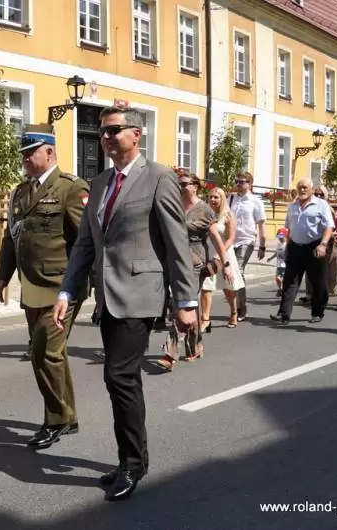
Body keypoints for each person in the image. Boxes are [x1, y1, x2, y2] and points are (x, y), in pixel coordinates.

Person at [53, 106, 197, 502]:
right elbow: (85, 243)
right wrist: (67, 291)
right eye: (102, 131)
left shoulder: (158, 177)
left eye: (114, 130)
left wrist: (185, 300)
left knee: (120, 375)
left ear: (136, 134)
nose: (106, 137)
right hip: (107, 294)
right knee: (118, 379)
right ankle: (129, 460)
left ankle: (133, 464)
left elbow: (176, 242)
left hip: (141, 292)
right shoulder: (100, 183)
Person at [0, 124, 90, 449]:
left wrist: (90, 285)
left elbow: (87, 241)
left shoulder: (71, 188)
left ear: (49, 152)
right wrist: (2, 275)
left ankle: (56, 419)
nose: (24, 158)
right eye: (22, 153)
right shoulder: (21, 192)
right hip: (33, 285)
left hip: (62, 286)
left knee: (44, 350)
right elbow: (12, 237)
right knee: (51, 353)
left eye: (30, 152)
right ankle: (68, 416)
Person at [156, 176, 234, 371]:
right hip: (171, 258)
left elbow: (216, 238)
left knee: (182, 304)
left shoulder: (204, 210)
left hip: (194, 260)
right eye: (178, 184)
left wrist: (225, 264)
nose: (180, 187)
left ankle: (170, 353)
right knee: (190, 303)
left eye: (185, 184)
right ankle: (195, 347)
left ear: (195, 187)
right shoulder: (174, 205)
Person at [270, 178, 335, 324]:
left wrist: (323, 244)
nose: (302, 190)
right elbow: (288, 227)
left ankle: (317, 312)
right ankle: (284, 314)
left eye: (305, 187)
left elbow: (329, 226)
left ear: (312, 189)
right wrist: (287, 246)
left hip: (314, 246)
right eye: (300, 187)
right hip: (295, 247)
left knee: (317, 282)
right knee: (289, 281)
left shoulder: (321, 204)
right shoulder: (293, 206)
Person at [200, 187, 244, 330]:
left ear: (222, 199)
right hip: (207, 254)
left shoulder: (228, 215)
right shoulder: (205, 213)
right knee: (206, 287)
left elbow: (231, 238)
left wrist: (219, 254)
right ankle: (205, 319)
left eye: (216, 197)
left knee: (228, 288)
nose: (213, 200)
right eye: (211, 197)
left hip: (224, 254)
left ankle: (234, 311)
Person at [227, 172, 267, 322]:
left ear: (250, 184)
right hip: (230, 240)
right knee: (232, 272)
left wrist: (262, 246)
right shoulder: (231, 198)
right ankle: (236, 306)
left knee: (238, 270)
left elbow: (261, 224)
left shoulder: (255, 201)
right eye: (237, 181)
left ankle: (241, 308)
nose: (238, 184)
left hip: (246, 240)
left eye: (242, 182)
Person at [270, 227, 289, 296]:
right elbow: (276, 253)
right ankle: (281, 289)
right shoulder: (278, 244)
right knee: (277, 278)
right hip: (279, 265)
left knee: (284, 279)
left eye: (281, 237)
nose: (280, 238)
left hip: (285, 265)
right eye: (279, 237)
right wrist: (271, 258)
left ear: (286, 236)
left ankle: (283, 290)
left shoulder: (287, 244)